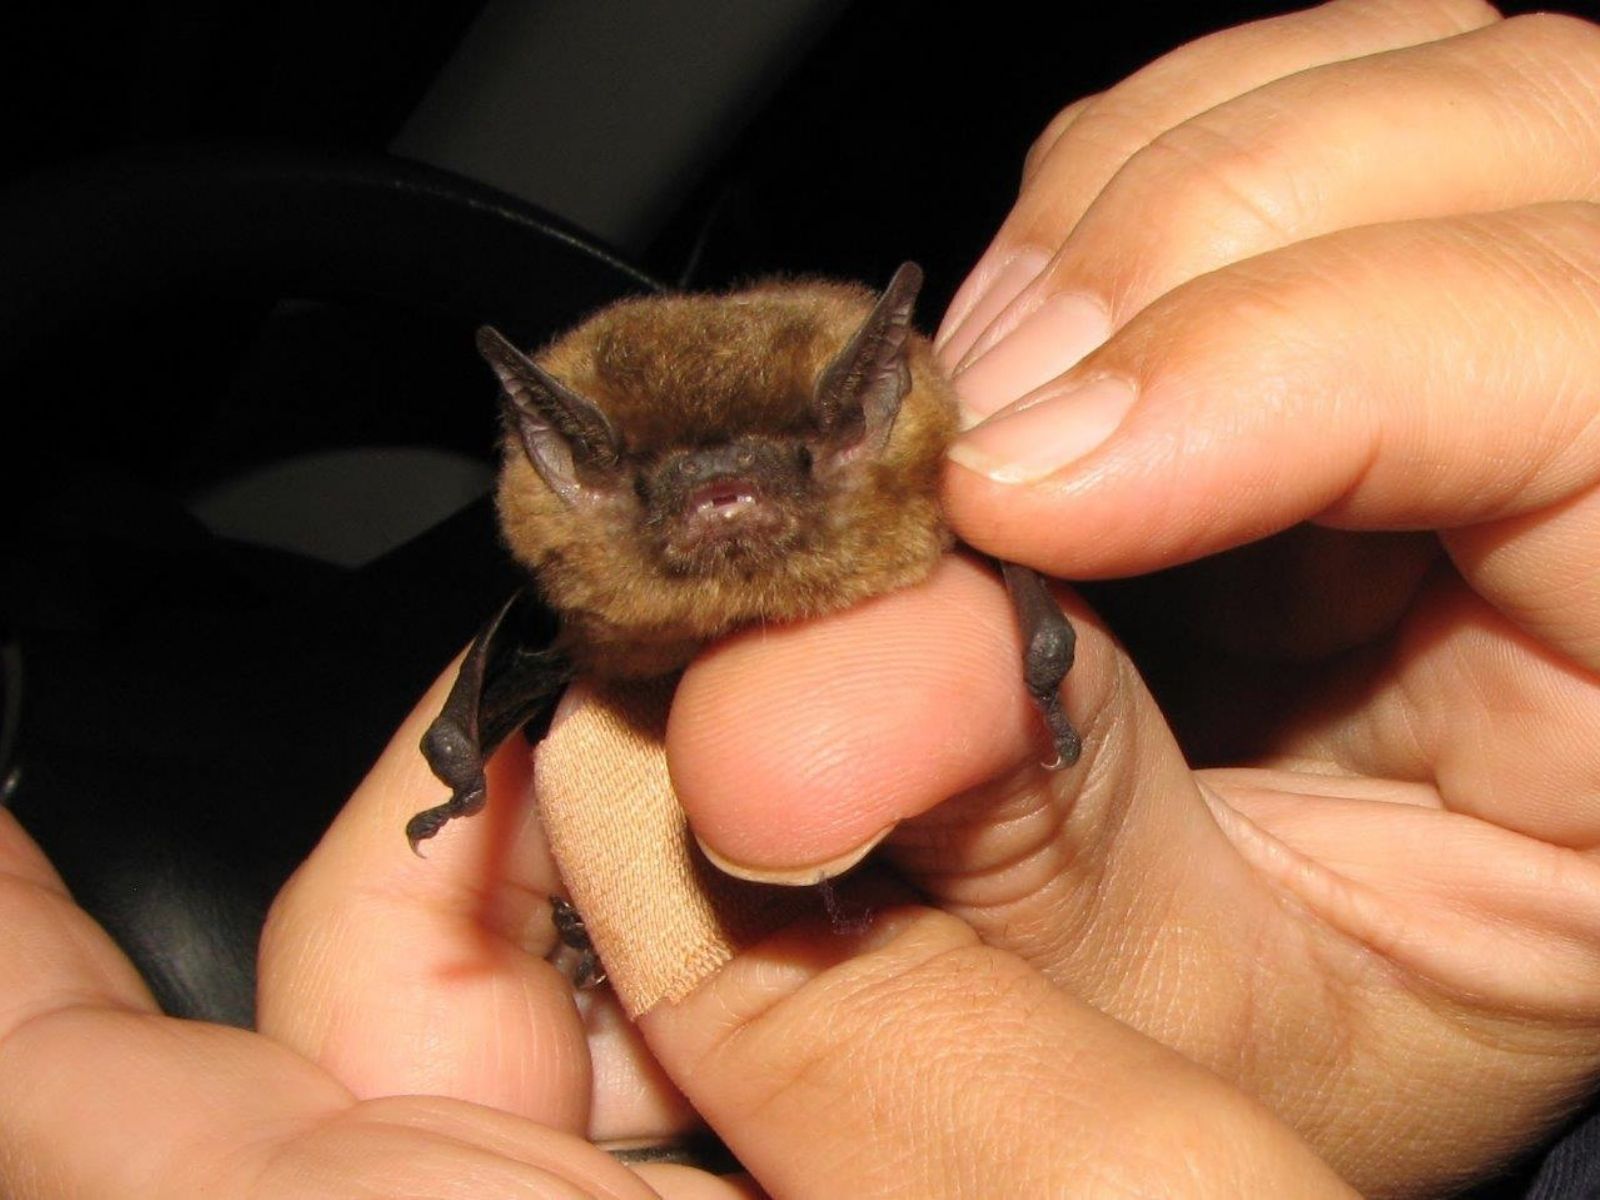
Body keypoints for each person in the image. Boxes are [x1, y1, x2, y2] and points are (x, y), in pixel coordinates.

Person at [5, 0, 1600, 1193]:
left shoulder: (937, 517)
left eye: (776, 464)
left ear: (857, 427)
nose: (723, 506)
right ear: (570, 472)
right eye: (665, 480)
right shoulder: (591, 583)